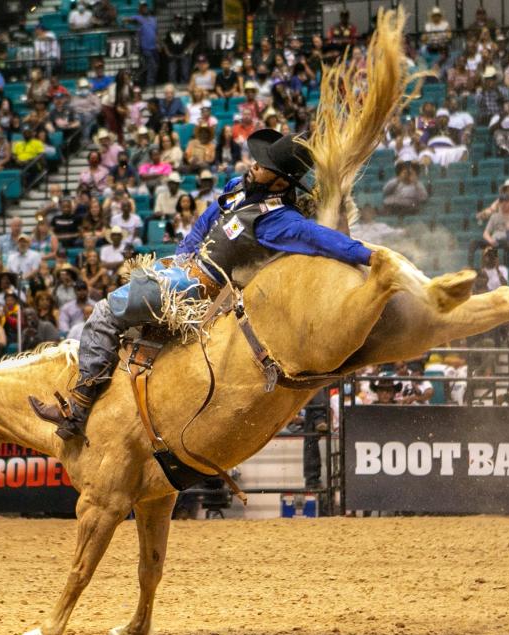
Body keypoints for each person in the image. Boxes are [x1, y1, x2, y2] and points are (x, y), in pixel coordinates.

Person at [29, 129, 374, 441]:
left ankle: (76, 410)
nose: (254, 165)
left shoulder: (280, 221)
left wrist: (368, 257)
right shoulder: (238, 190)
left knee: (104, 313)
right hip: (184, 273)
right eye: (257, 160)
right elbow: (205, 223)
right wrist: (181, 259)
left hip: (199, 289)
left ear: (281, 181)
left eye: (263, 164)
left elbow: (322, 239)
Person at [125, 2, 159, 87]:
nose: (144, 8)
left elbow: (156, 33)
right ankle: (150, 85)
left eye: (145, 6)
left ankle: (149, 83)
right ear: (139, 8)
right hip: (145, 47)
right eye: (142, 7)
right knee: (152, 66)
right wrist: (133, 22)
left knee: (153, 67)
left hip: (154, 47)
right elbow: (125, 20)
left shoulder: (153, 19)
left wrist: (159, 43)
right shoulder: (138, 18)